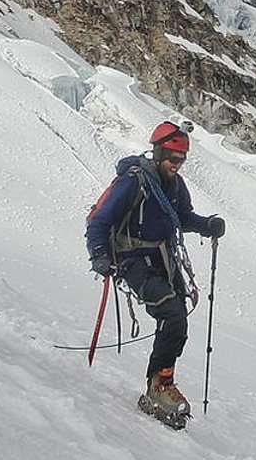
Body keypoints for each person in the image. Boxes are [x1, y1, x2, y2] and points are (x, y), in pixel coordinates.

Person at [84, 120, 227, 423]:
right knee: (173, 315)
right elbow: (99, 221)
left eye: (182, 160)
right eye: (174, 159)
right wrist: (99, 255)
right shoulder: (133, 182)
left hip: (161, 258)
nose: (178, 165)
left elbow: (182, 217)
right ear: (160, 153)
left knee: (176, 319)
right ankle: (159, 386)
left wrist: (206, 225)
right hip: (132, 259)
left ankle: (161, 380)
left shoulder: (173, 184)